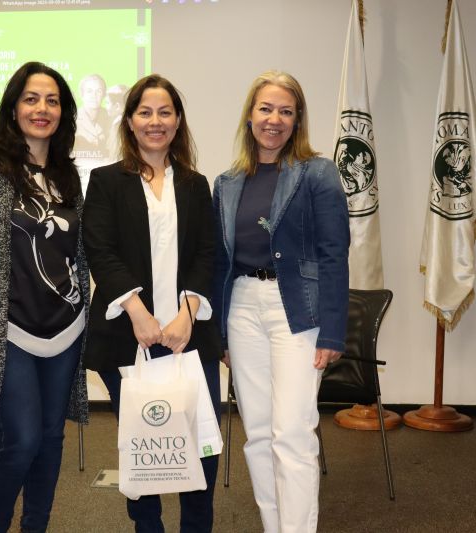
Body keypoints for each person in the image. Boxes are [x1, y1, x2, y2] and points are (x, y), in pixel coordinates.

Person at [0, 61, 89, 533]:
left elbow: (76, 252)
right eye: (31, 99)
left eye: (52, 101)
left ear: (63, 112)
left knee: (50, 440)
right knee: (21, 441)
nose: (42, 109)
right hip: (10, 333)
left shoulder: (68, 175)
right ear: (13, 108)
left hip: (65, 330)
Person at [212, 71, 350, 533]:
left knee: (291, 432)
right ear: (250, 115)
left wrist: (333, 331)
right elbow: (221, 262)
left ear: (297, 120)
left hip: (297, 310)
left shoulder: (317, 172)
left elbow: (334, 253)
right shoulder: (227, 182)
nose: (274, 119)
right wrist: (219, 333)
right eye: (266, 109)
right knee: (257, 434)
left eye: (286, 111)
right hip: (242, 309)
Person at [83, 74, 221, 533]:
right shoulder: (105, 181)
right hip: (129, 337)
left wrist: (187, 314)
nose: (155, 121)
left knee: (201, 450)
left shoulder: (196, 184)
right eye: (145, 112)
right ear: (129, 121)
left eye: (165, 112)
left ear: (178, 121)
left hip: (188, 337)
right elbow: (100, 250)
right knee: (143, 448)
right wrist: (138, 313)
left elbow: (207, 253)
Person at [74, 73, 111, 158]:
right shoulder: (72, 118)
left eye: (99, 91)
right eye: (89, 91)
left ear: (103, 95)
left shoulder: (110, 117)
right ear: (82, 95)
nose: (94, 96)